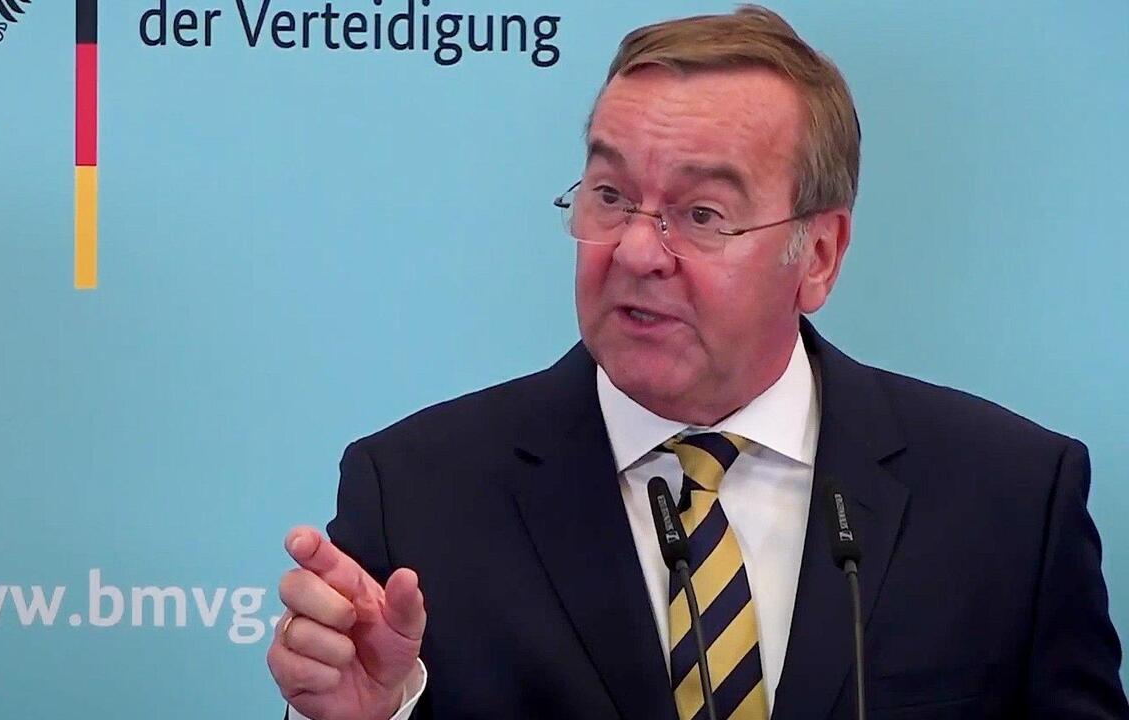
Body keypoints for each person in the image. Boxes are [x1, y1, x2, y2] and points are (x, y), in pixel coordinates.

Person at [266, 5, 1129, 719]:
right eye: (610, 196)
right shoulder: (417, 495)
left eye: (703, 214)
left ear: (819, 255)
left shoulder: (1011, 500)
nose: (638, 251)